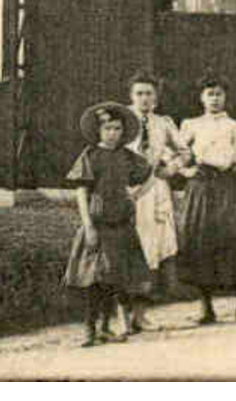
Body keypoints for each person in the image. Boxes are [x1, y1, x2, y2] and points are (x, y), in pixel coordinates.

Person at [176, 72, 236, 324]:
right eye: (210, 94)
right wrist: (186, 170)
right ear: (201, 97)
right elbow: (175, 155)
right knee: (201, 241)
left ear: (225, 97)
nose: (214, 99)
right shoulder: (190, 125)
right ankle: (206, 308)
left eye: (219, 94)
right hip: (200, 187)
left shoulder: (234, 126)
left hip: (227, 186)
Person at [62, 102, 154, 346]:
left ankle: (105, 327)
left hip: (121, 224)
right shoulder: (90, 156)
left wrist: (135, 195)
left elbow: (149, 174)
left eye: (117, 128)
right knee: (94, 279)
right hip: (99, 224)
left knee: (114, 278)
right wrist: (88, 225)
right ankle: (89, 329)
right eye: (108, 129)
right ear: (98, 131)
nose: (113, 133)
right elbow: (81, 192)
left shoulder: (127, 157)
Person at [123, 70, 187, 329]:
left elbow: (184, 151)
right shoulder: (122, 120)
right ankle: (121, 314)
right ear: (131, 96)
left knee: (150, 248)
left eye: (149, 93)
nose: (144, 98)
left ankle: (140, 313)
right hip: (126, 190)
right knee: (125, 247)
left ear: (156, 97)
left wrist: (171, 167)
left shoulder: (163, 123)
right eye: (139, 93)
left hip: (155, 191)